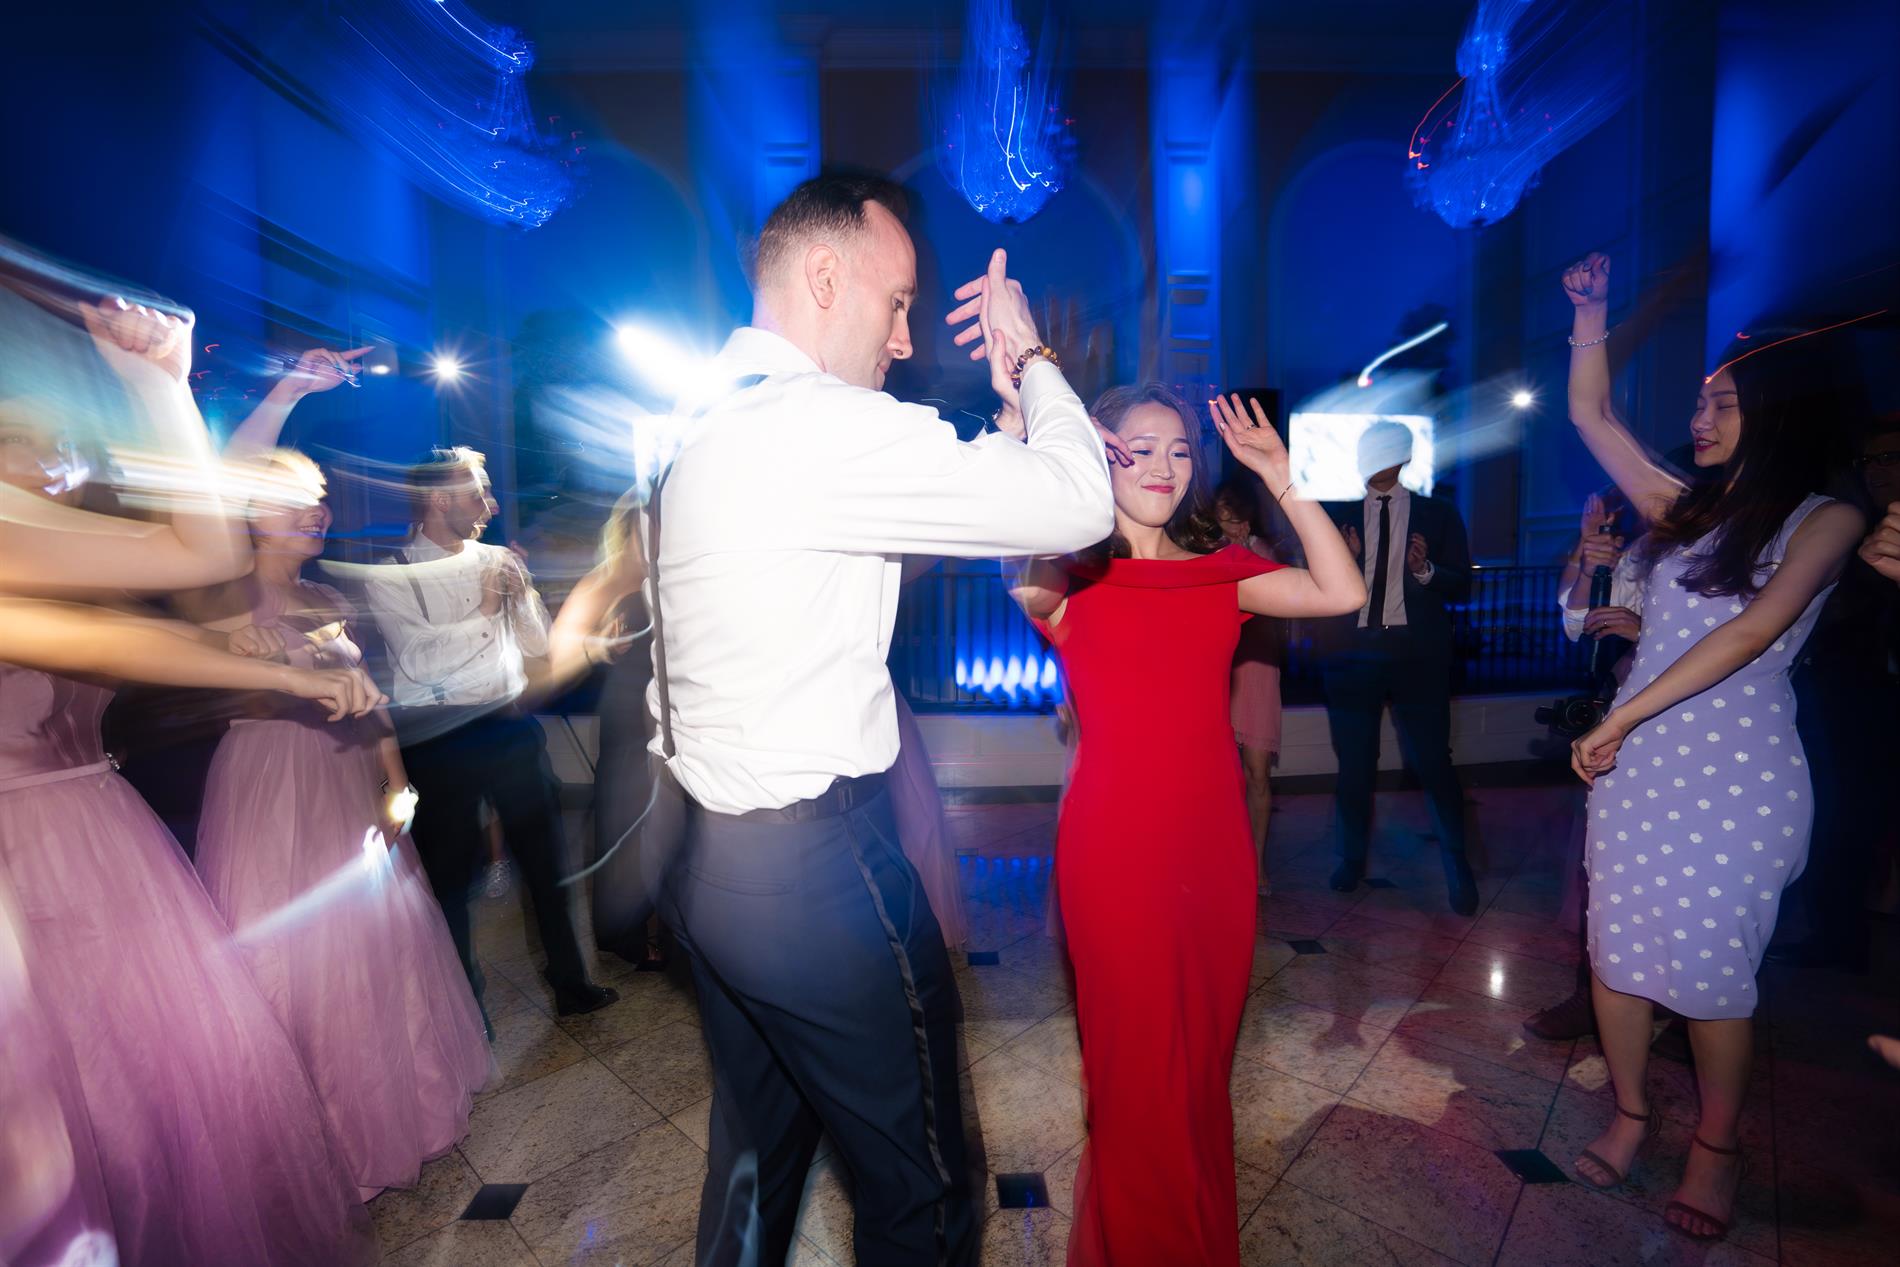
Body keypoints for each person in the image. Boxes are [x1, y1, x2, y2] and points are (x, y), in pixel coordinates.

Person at [608, 171, 1119, 1266]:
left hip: (703, 857)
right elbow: (1083, 502)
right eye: (896, 303)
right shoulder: (821, 425)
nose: (903, 340)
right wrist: (1030, 355)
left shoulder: (700, 424)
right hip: (818, 882)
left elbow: (848, 553)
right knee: (921, 1192)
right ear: (824, 274)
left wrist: (1001, 442)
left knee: (755, 1160)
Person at [0, 289, 381, 1265]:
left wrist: (291, 676)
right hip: (30, 857)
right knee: (54, 1131)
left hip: (99, 839)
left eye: (55, 438)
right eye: (17, 438)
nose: (51, 458)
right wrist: (165, 382)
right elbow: (196, 554)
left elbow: (105, 630)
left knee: (136, 1111)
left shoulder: (50, 555)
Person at [1008, 388, 1363, 1266]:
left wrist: (1280, 474)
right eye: (1138, 447)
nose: (1163, 466)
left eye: (1178, 450)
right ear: (1103, 456)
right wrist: (1037, 431)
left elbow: (1342, 588)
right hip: (1113, 854)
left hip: (1213, 854)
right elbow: (1020, 564)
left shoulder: (1222, 573)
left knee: (1198, 1069)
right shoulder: (1066, 580)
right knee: (1135, 1073)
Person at [1559, 252, 1864, 1241]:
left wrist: (1618, 716)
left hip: (1736, 781)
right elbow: (1592, 416)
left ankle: (1717, 1147)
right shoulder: (1683, 508)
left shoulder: (1827, 518)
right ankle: (1631, 1113)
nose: (1701, 417)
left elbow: (1751, 631)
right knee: (1615, 957)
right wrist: (1592, 315)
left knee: (1711, 976)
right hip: (1638, 771)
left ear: (1775, 412)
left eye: (1723, 403)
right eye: (1699, 401)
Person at [187, 448, 492, 1199]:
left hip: (346, 775)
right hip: (271, 786)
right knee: (295, 955)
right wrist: (235, 648)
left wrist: (396, 778)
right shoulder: (222, 597)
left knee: (374, 945)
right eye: (295, 499)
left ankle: (401, 1112)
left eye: (319, 496)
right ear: (250, 513)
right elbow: (193, 670)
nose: (316, 511)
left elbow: (368, 696)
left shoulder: (324, 594)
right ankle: (315, 1144)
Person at [363, 447, 617, 1026]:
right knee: (451, 877)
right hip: (439, 738)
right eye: (480, 492)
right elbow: (419, 660)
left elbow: (536, 644)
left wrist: (521, 597)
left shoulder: (498, 558)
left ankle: (571, 982)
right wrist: (485, 607)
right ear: (439, 499)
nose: (492, 504)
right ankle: (467, 1008)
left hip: (507, 724)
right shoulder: (390, 572)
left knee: (547, 862)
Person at [1316, 420, 1478, 913]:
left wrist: (1424, 570)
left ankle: (1458, 866)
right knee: (1354, 766)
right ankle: (1350, 860)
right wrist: (1343, 561)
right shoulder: (1336, 514)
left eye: (1385, 450)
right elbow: (1313, 581)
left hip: (1419, 658)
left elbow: (1462, 586)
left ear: (1405, 456)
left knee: (1433, 763)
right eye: (1367, 449)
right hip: (1351, 656)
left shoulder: (1438, 513)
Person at [1523, 489, 1643, 1041]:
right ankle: (1590, 995)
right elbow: (1577, 623)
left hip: (1705, 724)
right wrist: (1588, 561)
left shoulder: (1731, 549)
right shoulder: (1634, 554)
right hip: (1625, 711)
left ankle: (1686, 1010)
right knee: (1606, 863)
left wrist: (1646, 630)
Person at [1213, 480, 1284, 894]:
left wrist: (1243, 556)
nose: (1231, 523)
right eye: (1223, 515)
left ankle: (1257, 866)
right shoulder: (1205, 552)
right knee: (1217, 776)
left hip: (1256, 667)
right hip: (1217, 669)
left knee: (1257, 774)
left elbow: (1267, 606)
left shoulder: (1263, 552)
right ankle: (1221, 862)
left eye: (1235, 515)